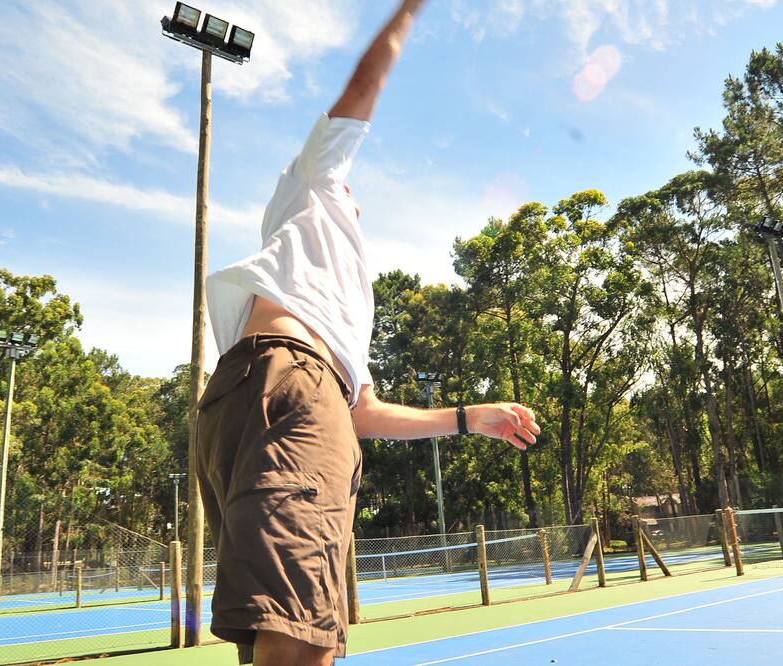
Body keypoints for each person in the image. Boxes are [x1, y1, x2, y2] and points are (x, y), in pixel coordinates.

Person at [196, 1, 540, 664]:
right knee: (300, 638)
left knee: (290, 633)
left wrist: (473, 418)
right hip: (288, 382)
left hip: (256, 395)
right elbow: (363, 87)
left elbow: (364, 414)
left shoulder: (341, 294)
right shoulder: (311, 186)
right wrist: (411, 10)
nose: (357, 194)